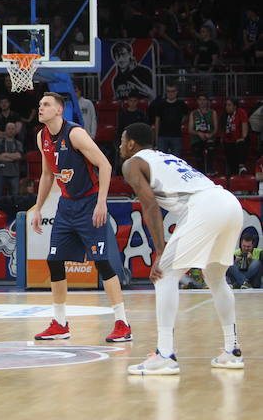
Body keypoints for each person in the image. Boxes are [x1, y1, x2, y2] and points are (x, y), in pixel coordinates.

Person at [120, 123, 245, 375]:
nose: (120, 146)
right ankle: (231, 351)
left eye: (122, 141)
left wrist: (160, 250)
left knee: (164, 274)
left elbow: (150, 206)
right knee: (215, 277)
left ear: (132, 143)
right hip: (229, 202)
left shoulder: (132, 163)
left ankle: (165, 354)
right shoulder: (165, 156)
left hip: (205, 206)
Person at [29, 93, 131, 343]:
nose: (41, 108)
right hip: (66, 206)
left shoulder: (74, 134)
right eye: (40, 104)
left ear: (59, 110)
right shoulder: (42, 137)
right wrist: (38, 207)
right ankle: (60, 323)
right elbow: (46, 175)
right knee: (54, 261)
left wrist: (101, 203)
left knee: (103, 263)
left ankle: (122, 323)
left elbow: (105, 165)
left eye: (46, 104)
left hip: (89, 202)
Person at [149, 85, 188, 156]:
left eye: (173, 91)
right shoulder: (160, 104)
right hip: (162, 136)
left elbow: (186, 116)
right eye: (168, 91)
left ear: (176, 92)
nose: (170, 93)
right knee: (162, 159)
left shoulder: (181, 104)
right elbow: (157, 121)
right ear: (166, 92)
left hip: (176, 136)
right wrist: (156, 137)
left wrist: (179, 122)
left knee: (176, 160)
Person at [188, 94, 218, 174]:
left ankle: (210, 171)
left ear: (207, 101)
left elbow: (215, 128)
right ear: (197, 101)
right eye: (200, 100)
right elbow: (190, 129)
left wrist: (210, 135)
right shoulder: (193, 113)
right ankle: (201, 172)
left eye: (204, 99)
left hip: (209, 138)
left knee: (210, 148)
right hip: (197, 139)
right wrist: (199, 133)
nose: (202, 102)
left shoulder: (212, 112)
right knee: (199, 153)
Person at [0, 122, 24, 197]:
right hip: (1, 173)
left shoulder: (18, 143)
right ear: (5, 130)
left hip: (14, 174)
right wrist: (12, 158)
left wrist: (5, 155)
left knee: (15, 197)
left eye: (12, 129)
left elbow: (18, 156)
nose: (10, 130)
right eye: (9, 129)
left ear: (15, 131)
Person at [222, 99, 249, 176]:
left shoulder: (241, 112)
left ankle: (241, 167)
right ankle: (233, 173)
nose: (227, 107)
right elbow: (222, 130)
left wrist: (242, 137)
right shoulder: (224, 115)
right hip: (228, 141)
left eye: (229, 105)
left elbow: (245, 128)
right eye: (226, 105)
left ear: (235, 106)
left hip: (239, 140)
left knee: (241, 143)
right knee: (228, 147)